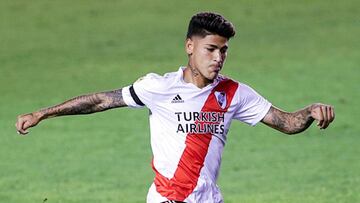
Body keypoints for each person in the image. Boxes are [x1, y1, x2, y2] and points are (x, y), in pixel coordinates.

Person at [16, 12, 335, 203]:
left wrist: (309, 111)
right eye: (211, 49)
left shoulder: (234, 93)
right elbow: (102, 100)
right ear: (189, 46)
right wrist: (43, 113)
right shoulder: (158, 87)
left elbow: (286, 122)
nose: (218, 58)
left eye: (223, 51)